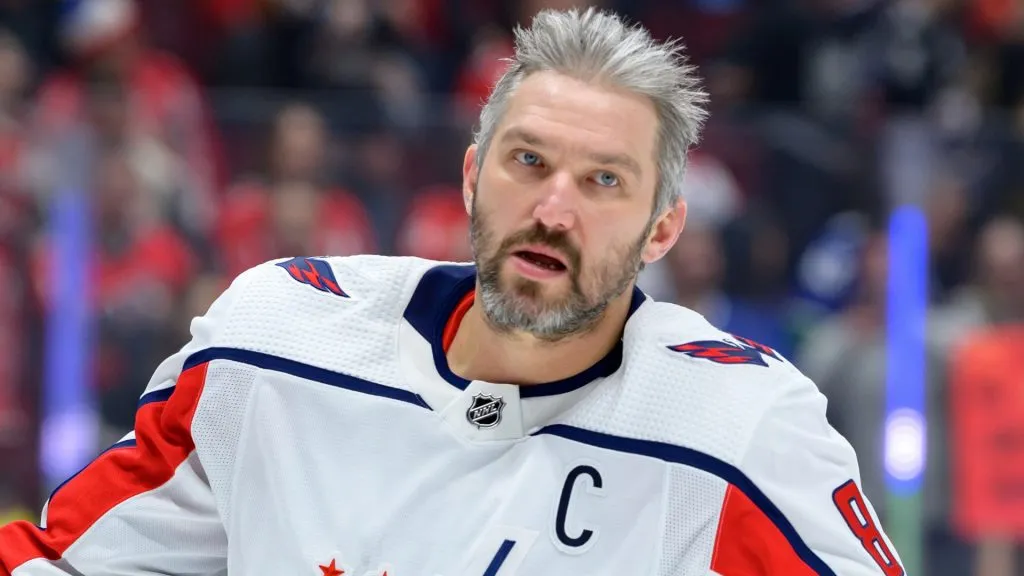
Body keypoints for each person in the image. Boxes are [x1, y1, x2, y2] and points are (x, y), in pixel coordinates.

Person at [0, 8, 904, 575]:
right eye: (529, 162)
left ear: (663, 229)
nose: (553, 208)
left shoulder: (736, 432)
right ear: (472, 178)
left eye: (604, 182)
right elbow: (72, 563)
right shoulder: (274, 342)